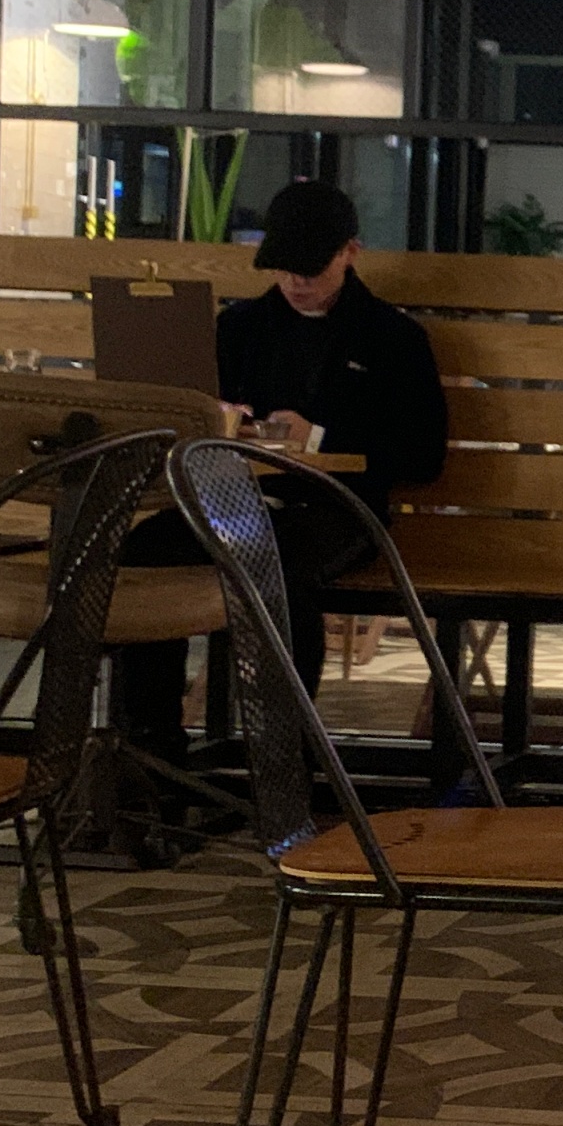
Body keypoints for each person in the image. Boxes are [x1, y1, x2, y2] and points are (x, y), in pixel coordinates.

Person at [116, 180, 448, 760]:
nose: (296, 281)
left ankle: (280, 759)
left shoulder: (392, 339)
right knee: (143, 551)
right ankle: (148, 749)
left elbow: (424, 455)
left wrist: (318, 437)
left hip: (338, 507)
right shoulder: (240, 328)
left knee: (278, 570)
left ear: (350, 252)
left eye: (311, 268)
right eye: (284, 267)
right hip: (234, 499)